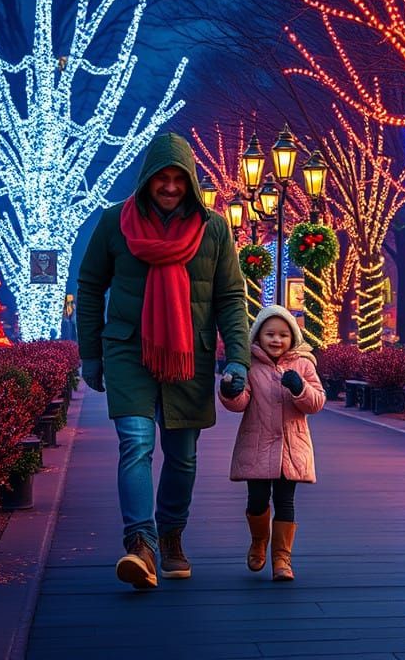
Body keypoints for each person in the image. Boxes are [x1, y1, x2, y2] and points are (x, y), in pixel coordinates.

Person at [77, 132, 251, 590]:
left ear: (190, 182)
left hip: (188, 355)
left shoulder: (213, 227)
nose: (170, 187)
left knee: (183, 457)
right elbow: (91, 286)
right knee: (135, 445)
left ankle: (171, 534)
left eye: (179, 179)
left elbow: (231, 297)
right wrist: (90, 354)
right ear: (147, 178)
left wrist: (238, 358)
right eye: (162, 178)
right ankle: (141, 543)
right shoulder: (115, 222)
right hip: (127, 352)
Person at [218, 304, 325, 581]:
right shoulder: (250, 366)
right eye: (270, 334)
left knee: (285, 501)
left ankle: (282, 559)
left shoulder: (303, 365)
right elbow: (240, 403)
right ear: (258, 336)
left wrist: (300, 388)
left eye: (283, 335)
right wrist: (231, 391)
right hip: (257, 445)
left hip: (291, 447)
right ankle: (258, 541)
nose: (276, 340)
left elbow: (316, 402)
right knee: (257, 500)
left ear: (292, 338)